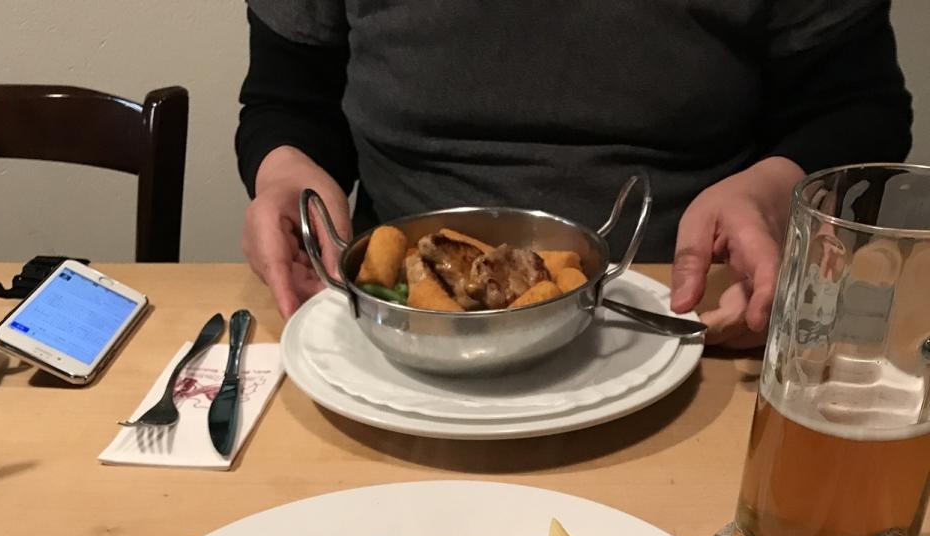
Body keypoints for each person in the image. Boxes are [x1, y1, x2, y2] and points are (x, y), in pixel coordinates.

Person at [236, 0, 912, 348]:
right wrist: (286, 172)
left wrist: (773, 190)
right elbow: (290, 99)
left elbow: (857, 108)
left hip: (692, 319)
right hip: (390, 325)